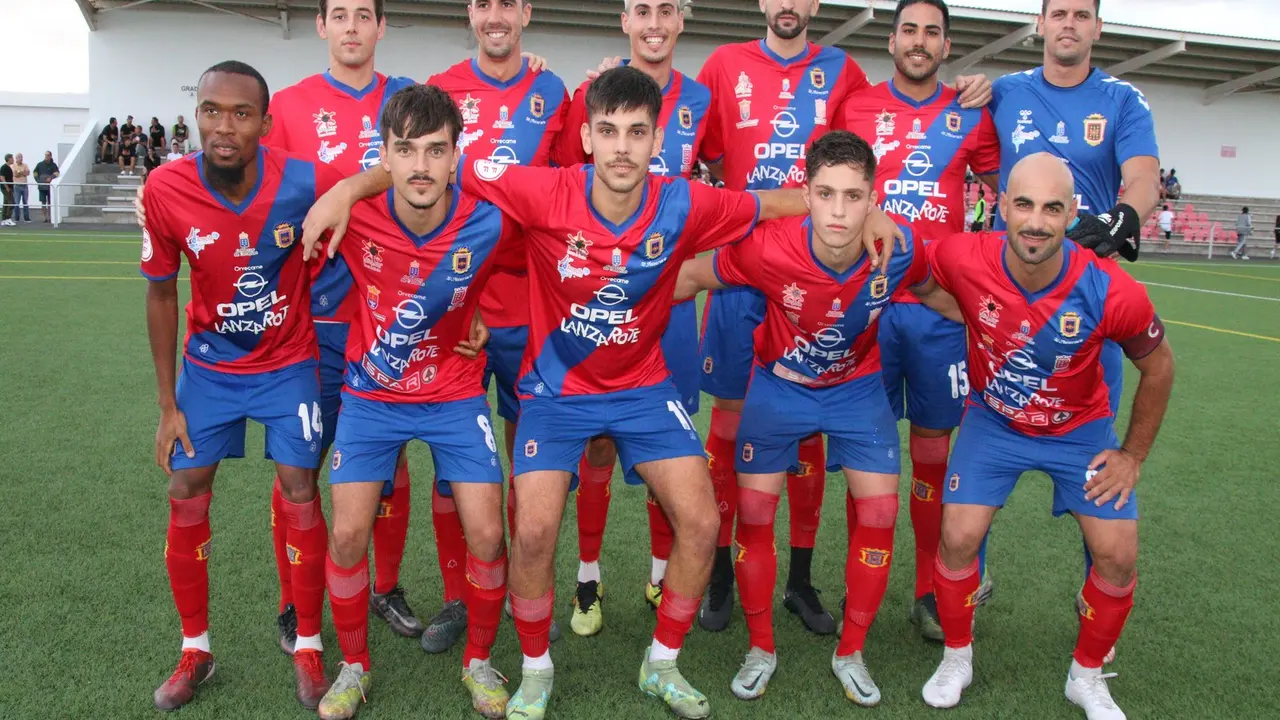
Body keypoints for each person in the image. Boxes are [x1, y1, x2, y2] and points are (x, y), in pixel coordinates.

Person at [302, 65, 898, 720]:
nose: (621, 147)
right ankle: (532, 669)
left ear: (656, 139)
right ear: (585, 138)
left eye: (636, 133)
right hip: (555, 391)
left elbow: (777, 201)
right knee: (530, 531)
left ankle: (661, 663)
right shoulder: (540, 189)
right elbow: (425, 165)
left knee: (701, 521)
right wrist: (348, 190)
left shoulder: (686, 203)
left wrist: (868, 216)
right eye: (608, 131)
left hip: (642, 387)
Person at [693, 0, 992, 633]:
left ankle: (827, 582)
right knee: (738, 423)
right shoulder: (725, 65)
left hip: (882, 289)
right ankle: (722, 571)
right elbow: (714, 157)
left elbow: (856, 170)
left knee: (873, 445)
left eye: (931, 32)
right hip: (768, 265)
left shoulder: (848, 76)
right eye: (909, 29)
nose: (790, 5)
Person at [673, 130, 958, 705]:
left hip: (856, 390)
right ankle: (761, 647)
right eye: (825, 193)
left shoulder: (898, 248)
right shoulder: (768, 247)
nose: (838, 211)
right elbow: (691, 277)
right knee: (754, 517)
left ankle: (851, 652)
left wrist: (992, 331)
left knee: (879, 516)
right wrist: (623, 310)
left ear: (873, 198)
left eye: (854, 197)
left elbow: (939, 293)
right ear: (805, 193)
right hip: (779, 389)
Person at [919, 152, 1175, 720]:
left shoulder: (1111, 289)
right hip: (994, 422)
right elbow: (917, 274)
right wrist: (966, 312)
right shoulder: (964, 254)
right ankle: (957, 657)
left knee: (1116, 554)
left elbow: (1159, 366)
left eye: (1052, 208)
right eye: (1025, 205)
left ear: (1072, 213)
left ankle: (1085, 677)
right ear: (1002, 206)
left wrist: (1132, 456)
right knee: (958, 537)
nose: (1036, 222)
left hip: (1079, 432)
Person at [139, 60, 345, 712]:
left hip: (288, 365)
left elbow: (382, 182)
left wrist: (345, 193)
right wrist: (168, 406)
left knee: (300, 488)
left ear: (264, 122)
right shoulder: (165, 187)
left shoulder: (301, 179)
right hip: (211, 370)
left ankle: (309, 645)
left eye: (240, 113)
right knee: (186, 488)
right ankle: (195, 649)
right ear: (195, 113)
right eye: (210, 111)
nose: (224, 127)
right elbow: (160, 294)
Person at [314, 84, 514, 720]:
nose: (421, 166)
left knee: (486, 530)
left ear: (457, 156)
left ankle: (478, 661)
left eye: (436, 151)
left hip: (454, 391)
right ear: (385, 155)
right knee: (346, 533)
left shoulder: (488, 221)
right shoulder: (357, 216)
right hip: (372, 394)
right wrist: (349, 188)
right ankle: (353, 667)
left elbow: (529, 264)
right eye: (406, 151)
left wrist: (477, 309)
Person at [987, 0, 1161, 630]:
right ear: (1039, 24)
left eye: (1080, 15)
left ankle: (1097, 604)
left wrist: (1126, 217)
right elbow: (975, 158)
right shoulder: (1004, 92)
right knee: (983, 440)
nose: (1068, 24)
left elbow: (1142, 177)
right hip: (1006, 296)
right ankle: (966, 585)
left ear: (1096, 27)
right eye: (1057, 12)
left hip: (1087, 303)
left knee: (1097, 464)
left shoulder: (1121, 99)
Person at [834, 0, 1002, 642]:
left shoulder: (971, 111)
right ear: (893, 38)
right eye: (910, 29)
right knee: (865, 456)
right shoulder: (853, 105)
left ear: (947, 45)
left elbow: (1006, 186)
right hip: (868, 308)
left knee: (934, 459)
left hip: (938, 313)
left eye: (933, 31)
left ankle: (932, 590)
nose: (920, 41)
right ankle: (860, 584)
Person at [260, 0, 425, 647]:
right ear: (322, 25)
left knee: (392, 461)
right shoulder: (293, 106)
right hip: (316, 320)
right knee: (299, 465)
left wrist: (353, 187)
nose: (352, 26)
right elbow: (253, 185)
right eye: (340, 14)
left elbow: (430, 171)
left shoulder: (409, 102)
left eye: (365, 14)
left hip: (392, 318)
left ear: (381, 27)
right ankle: (293, 601)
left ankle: (385, 587)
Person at [551, 0, 708, 636]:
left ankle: (658, 569)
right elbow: (560, 184)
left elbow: (721, 181)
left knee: (663, 450)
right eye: (641, 9)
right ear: (625, 20)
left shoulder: (703, 97)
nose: (653, 22)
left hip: (668, 305)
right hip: (598, 303)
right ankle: (587, 577)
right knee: (595, 446)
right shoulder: (590, 95)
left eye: (665, 10)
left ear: (681, 19)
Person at [423, 0, 571, 654]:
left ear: (527, 11)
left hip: (529, 302)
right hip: (457, 299)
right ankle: (460, 596)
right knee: (453, 462)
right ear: (470, 12)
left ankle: (526, 589)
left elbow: (571, 188)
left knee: (529, 460)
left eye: (507, 2)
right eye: (484, 3)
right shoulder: (438, 89)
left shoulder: (551, 89)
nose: (495, 14)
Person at [34, 150, 59, 222]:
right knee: (43, 202)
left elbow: (57, 173)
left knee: (50, 202)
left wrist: (51, 177)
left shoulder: (53, 165)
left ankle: (51, 216)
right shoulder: (40, 164)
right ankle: (45, 217)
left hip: (50, 187)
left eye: (48, 155)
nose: (46, 157)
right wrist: (38, 180)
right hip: (42, 187)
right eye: (45, 155)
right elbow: (35, 172)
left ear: (50, 156)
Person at [12, 153, 31, 222]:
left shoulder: (25, 165)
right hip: (17, 186)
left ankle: (27, 218)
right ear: (16, 158)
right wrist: (22, 172)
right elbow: (15, 174)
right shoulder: (13, 166)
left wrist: (19, 172)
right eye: (19, 157)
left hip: (24, 185)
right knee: (17, 202)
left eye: (21, 157)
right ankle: (16, 218)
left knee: (25, 202)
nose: (21, 158)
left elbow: (28, 173)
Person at [0, 155, 14, 226]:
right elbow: (2, 177)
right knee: (11, 202)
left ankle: (4, 219)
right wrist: (7, 187)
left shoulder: (8, 167)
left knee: (6, 203)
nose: (13, 159)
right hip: (6, 188)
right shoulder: (4, 167)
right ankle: (8, 218)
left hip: (8, 188)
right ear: (8, 159)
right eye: (12, 158)